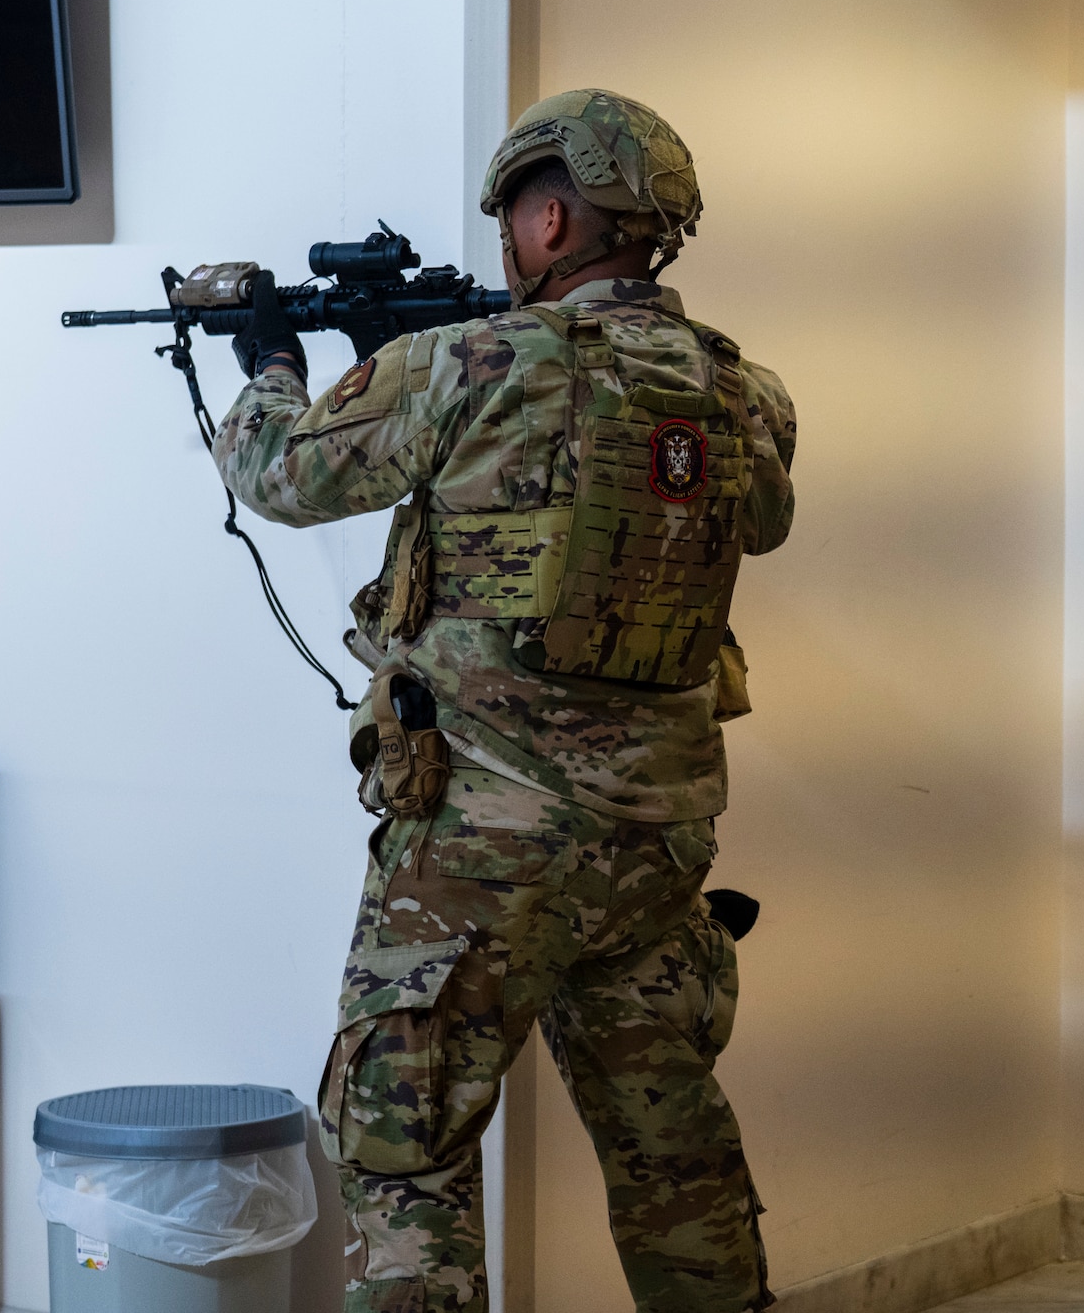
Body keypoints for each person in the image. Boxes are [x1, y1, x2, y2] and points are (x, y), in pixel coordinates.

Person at [211, 89, 796, 1313]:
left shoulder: (465, 367)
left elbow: (280, 472)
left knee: (401, 1153)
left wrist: (270, 362)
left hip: (480, 852)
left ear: (547, 214)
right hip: (654, 851)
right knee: (671, 1155)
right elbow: (765, 518)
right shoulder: (744, 396)